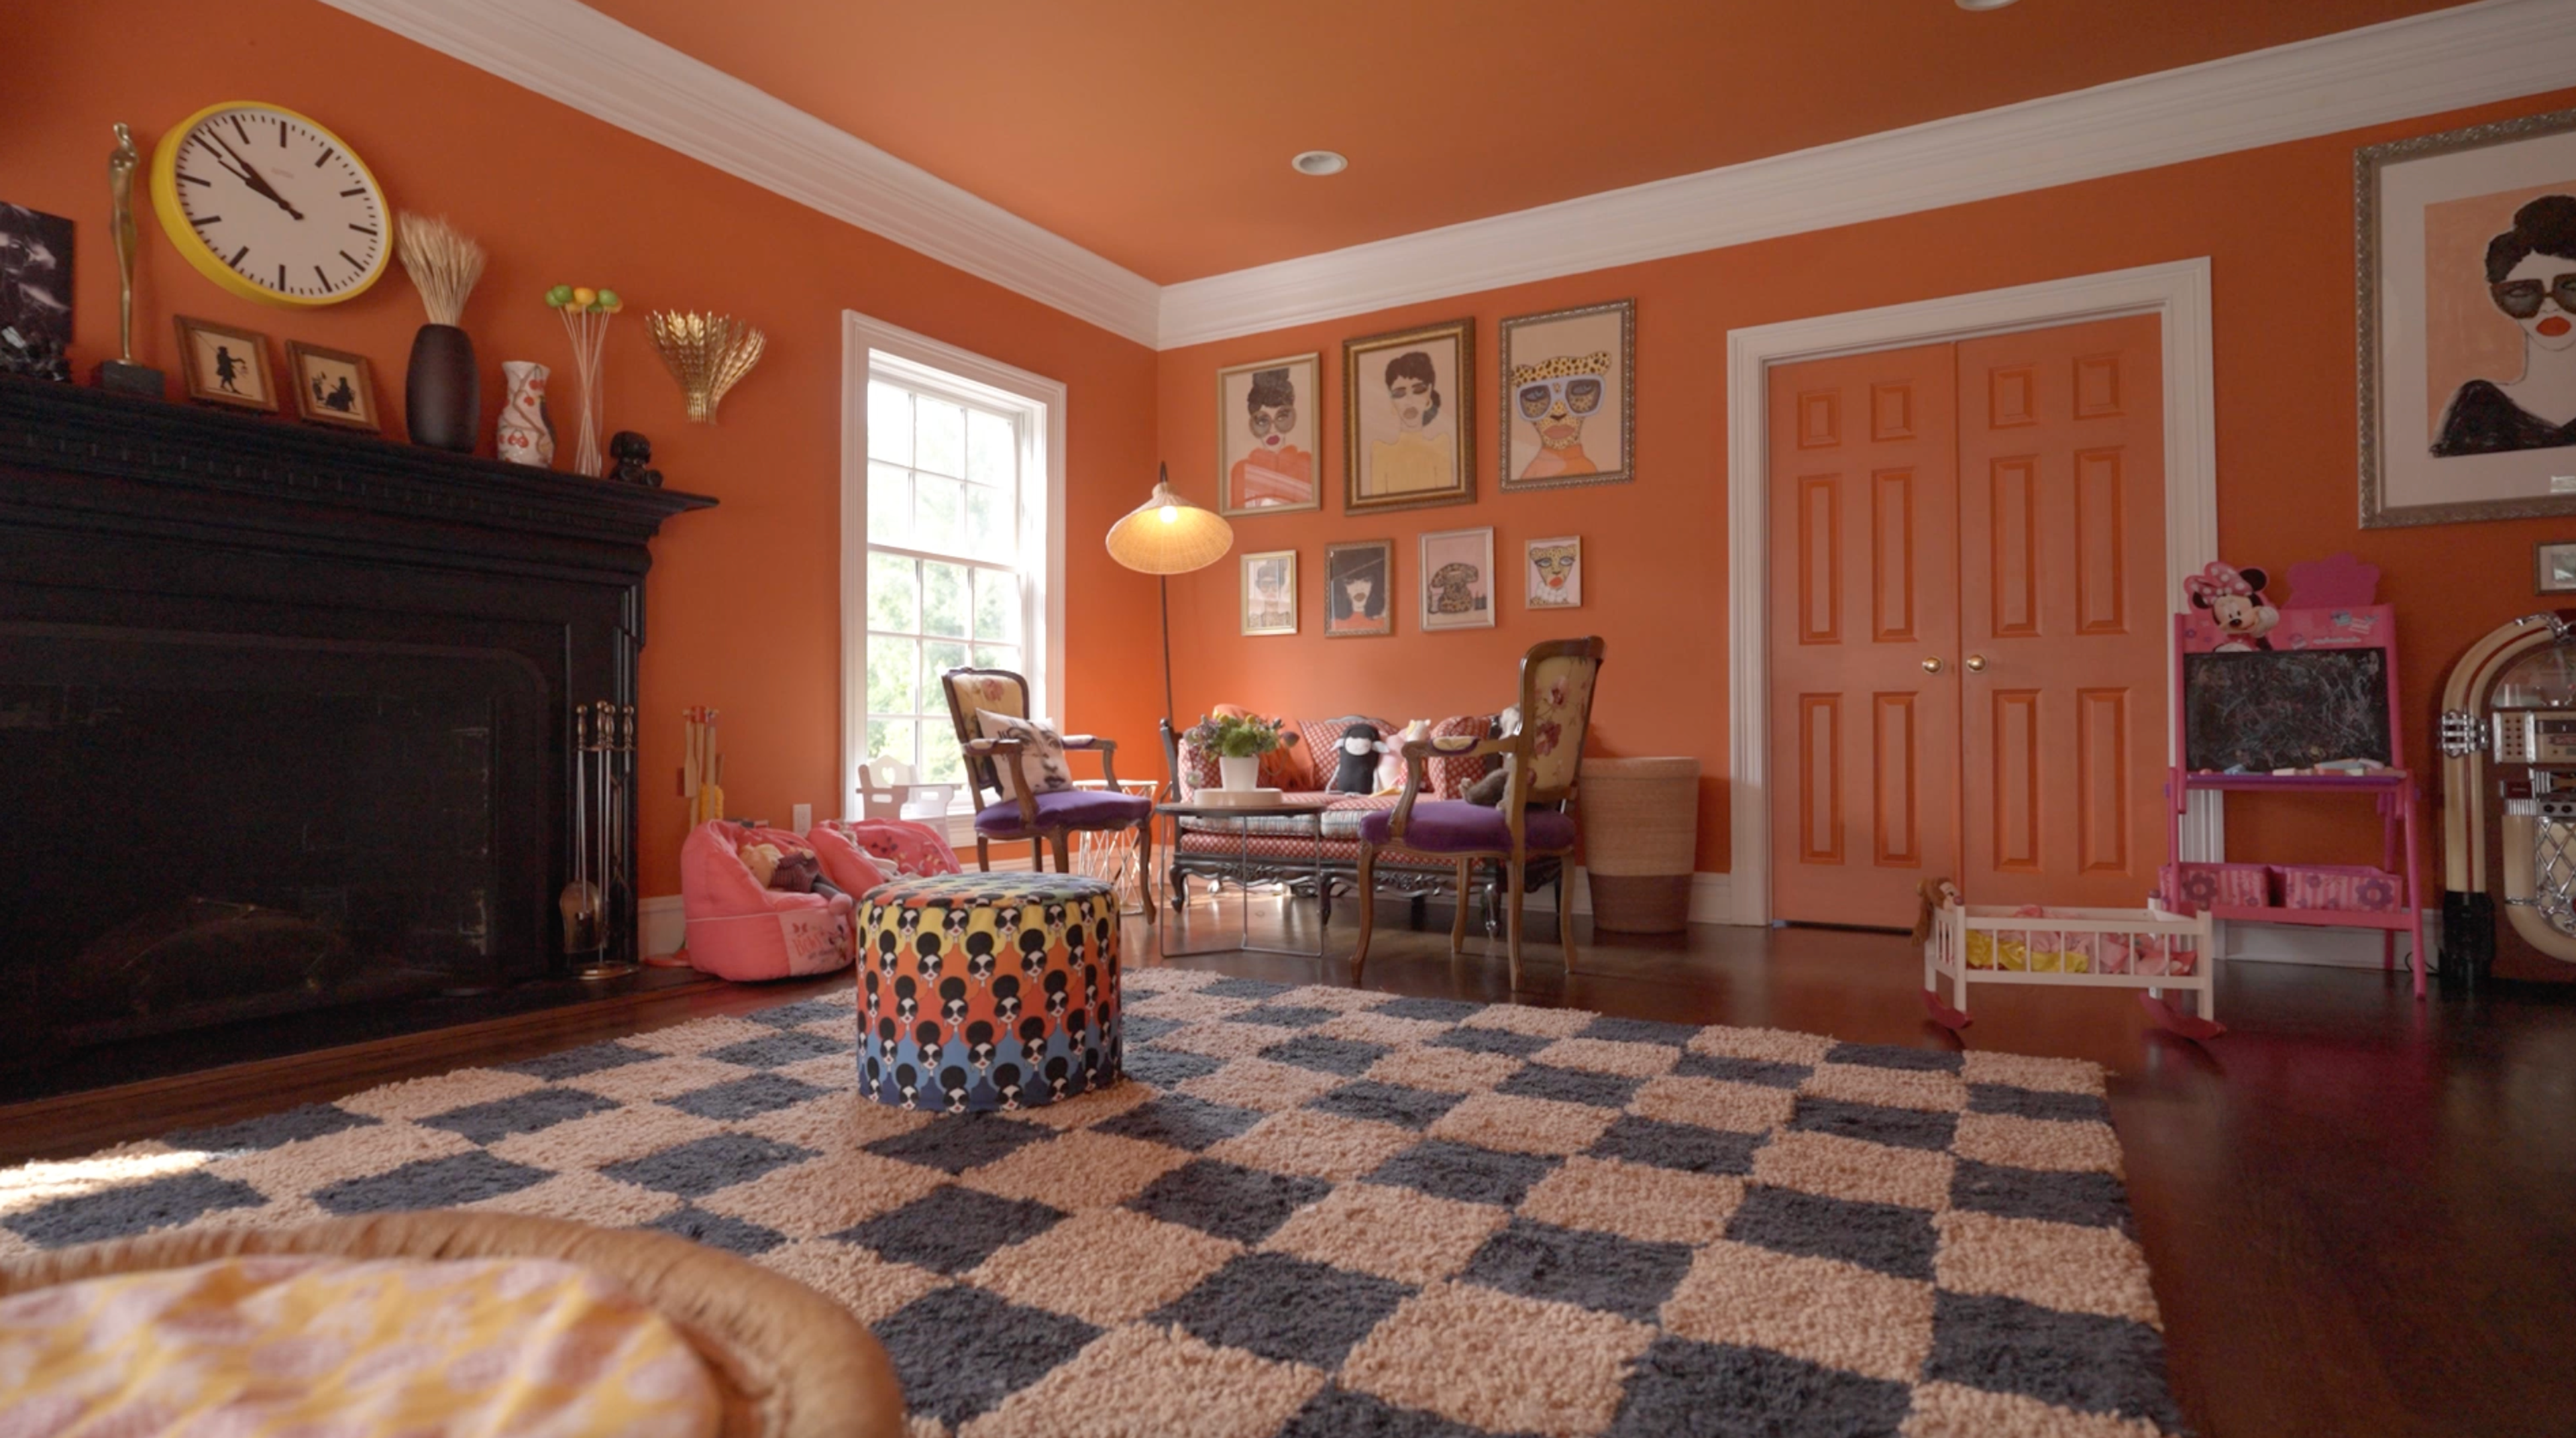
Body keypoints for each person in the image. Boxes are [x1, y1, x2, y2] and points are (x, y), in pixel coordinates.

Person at [2434, 193, 2576, 457]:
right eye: (2523, 293)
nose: (2550, 307)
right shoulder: (2479, 407)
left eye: (2570, 288)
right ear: (2500, 297)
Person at [1365, 351, 1454, 496]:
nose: (1409, 400)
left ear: (1429, 393)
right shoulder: (1380, 452)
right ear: (1391, 399)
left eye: (1418, 389)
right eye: (1400, 393)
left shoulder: (1441, 445)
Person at [1512, 351, 1610, 481]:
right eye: (1536, 395)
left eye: (1581, 389)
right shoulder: (1534, 471)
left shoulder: (1586, 468)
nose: (1558, 412)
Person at [1228, 367, 1311, 507]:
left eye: (1281, 417)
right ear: (1253, 423)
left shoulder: (1307, 464)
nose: (1272, 429)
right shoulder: (1241, 470)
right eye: (1263, 421)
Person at [1328, 549, 1389, 634]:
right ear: (1341, 586)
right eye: (1350, 582)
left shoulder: (1386, 619)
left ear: (1375, 583)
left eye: (1366, 580)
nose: (1359, 588)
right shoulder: (1332, 623)